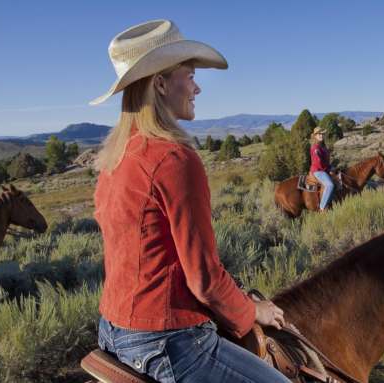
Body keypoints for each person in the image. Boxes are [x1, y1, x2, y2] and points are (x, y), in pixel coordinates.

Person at [89, 20, 290, 383]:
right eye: (190, 75)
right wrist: (250, 310)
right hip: (168, 341)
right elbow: (205, 280)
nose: (197, 87)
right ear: (160, 83)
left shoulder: (113, 159)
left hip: (113, 331)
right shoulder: (174, 160)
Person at [309, 127, 334, 212]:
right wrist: (328, 170)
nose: (321, 135)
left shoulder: (323, 146)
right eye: (319, 134)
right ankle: (322, 208)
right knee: (330, 185)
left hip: (325, 169)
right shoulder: (315, 148)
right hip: (318, 171)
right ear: (315, 136)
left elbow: (326, 161)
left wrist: (331, 167)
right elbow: (319, 163)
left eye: (322, 133)